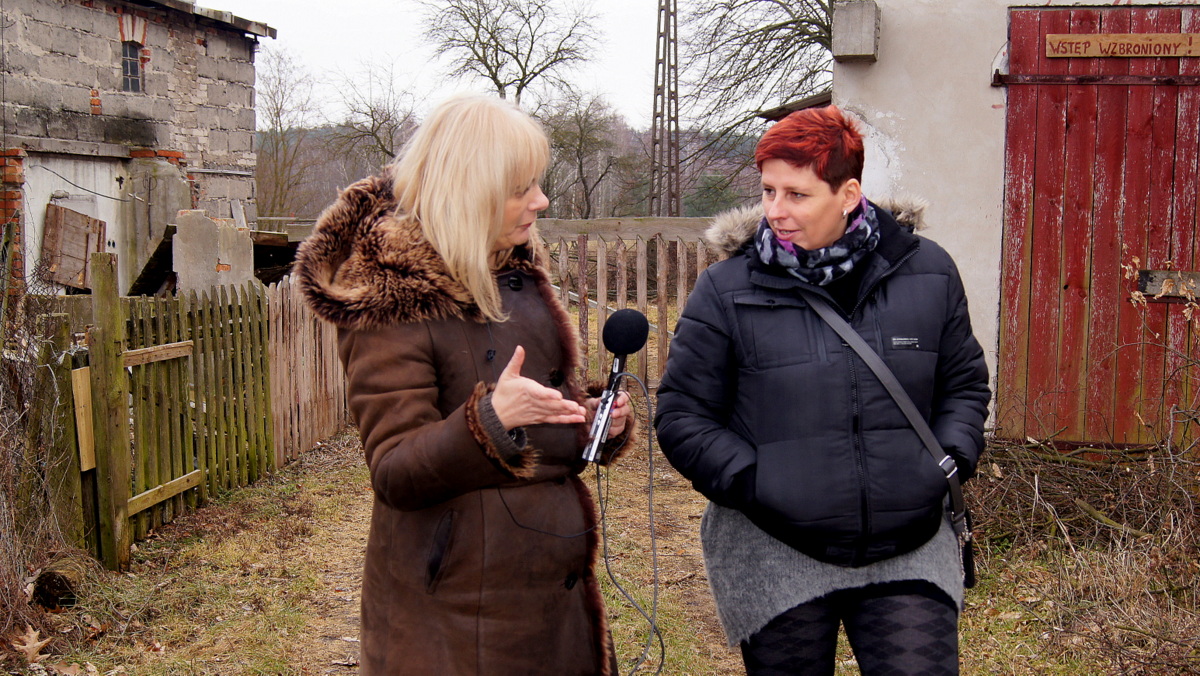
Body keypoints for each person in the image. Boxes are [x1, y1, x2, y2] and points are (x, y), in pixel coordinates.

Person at [294, 93, 635, 675]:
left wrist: (591, 420)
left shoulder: (514, 274)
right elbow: (395, 469)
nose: (541, 201)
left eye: (538, 183)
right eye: (521, 188)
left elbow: (535, 408)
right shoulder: (393, 298)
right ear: (470, 191)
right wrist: (491, 422)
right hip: (455, 616)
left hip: (549, 599)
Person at [654, 105, 990, 675]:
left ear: (848, 194)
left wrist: (945, 463)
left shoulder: (927, 272)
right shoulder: (726, 288)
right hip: (776, 546)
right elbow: (683, 415)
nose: (775, 211)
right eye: (768, 191)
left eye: (797, 194)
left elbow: (964, 384)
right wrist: (757, 483)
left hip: (908, 544)